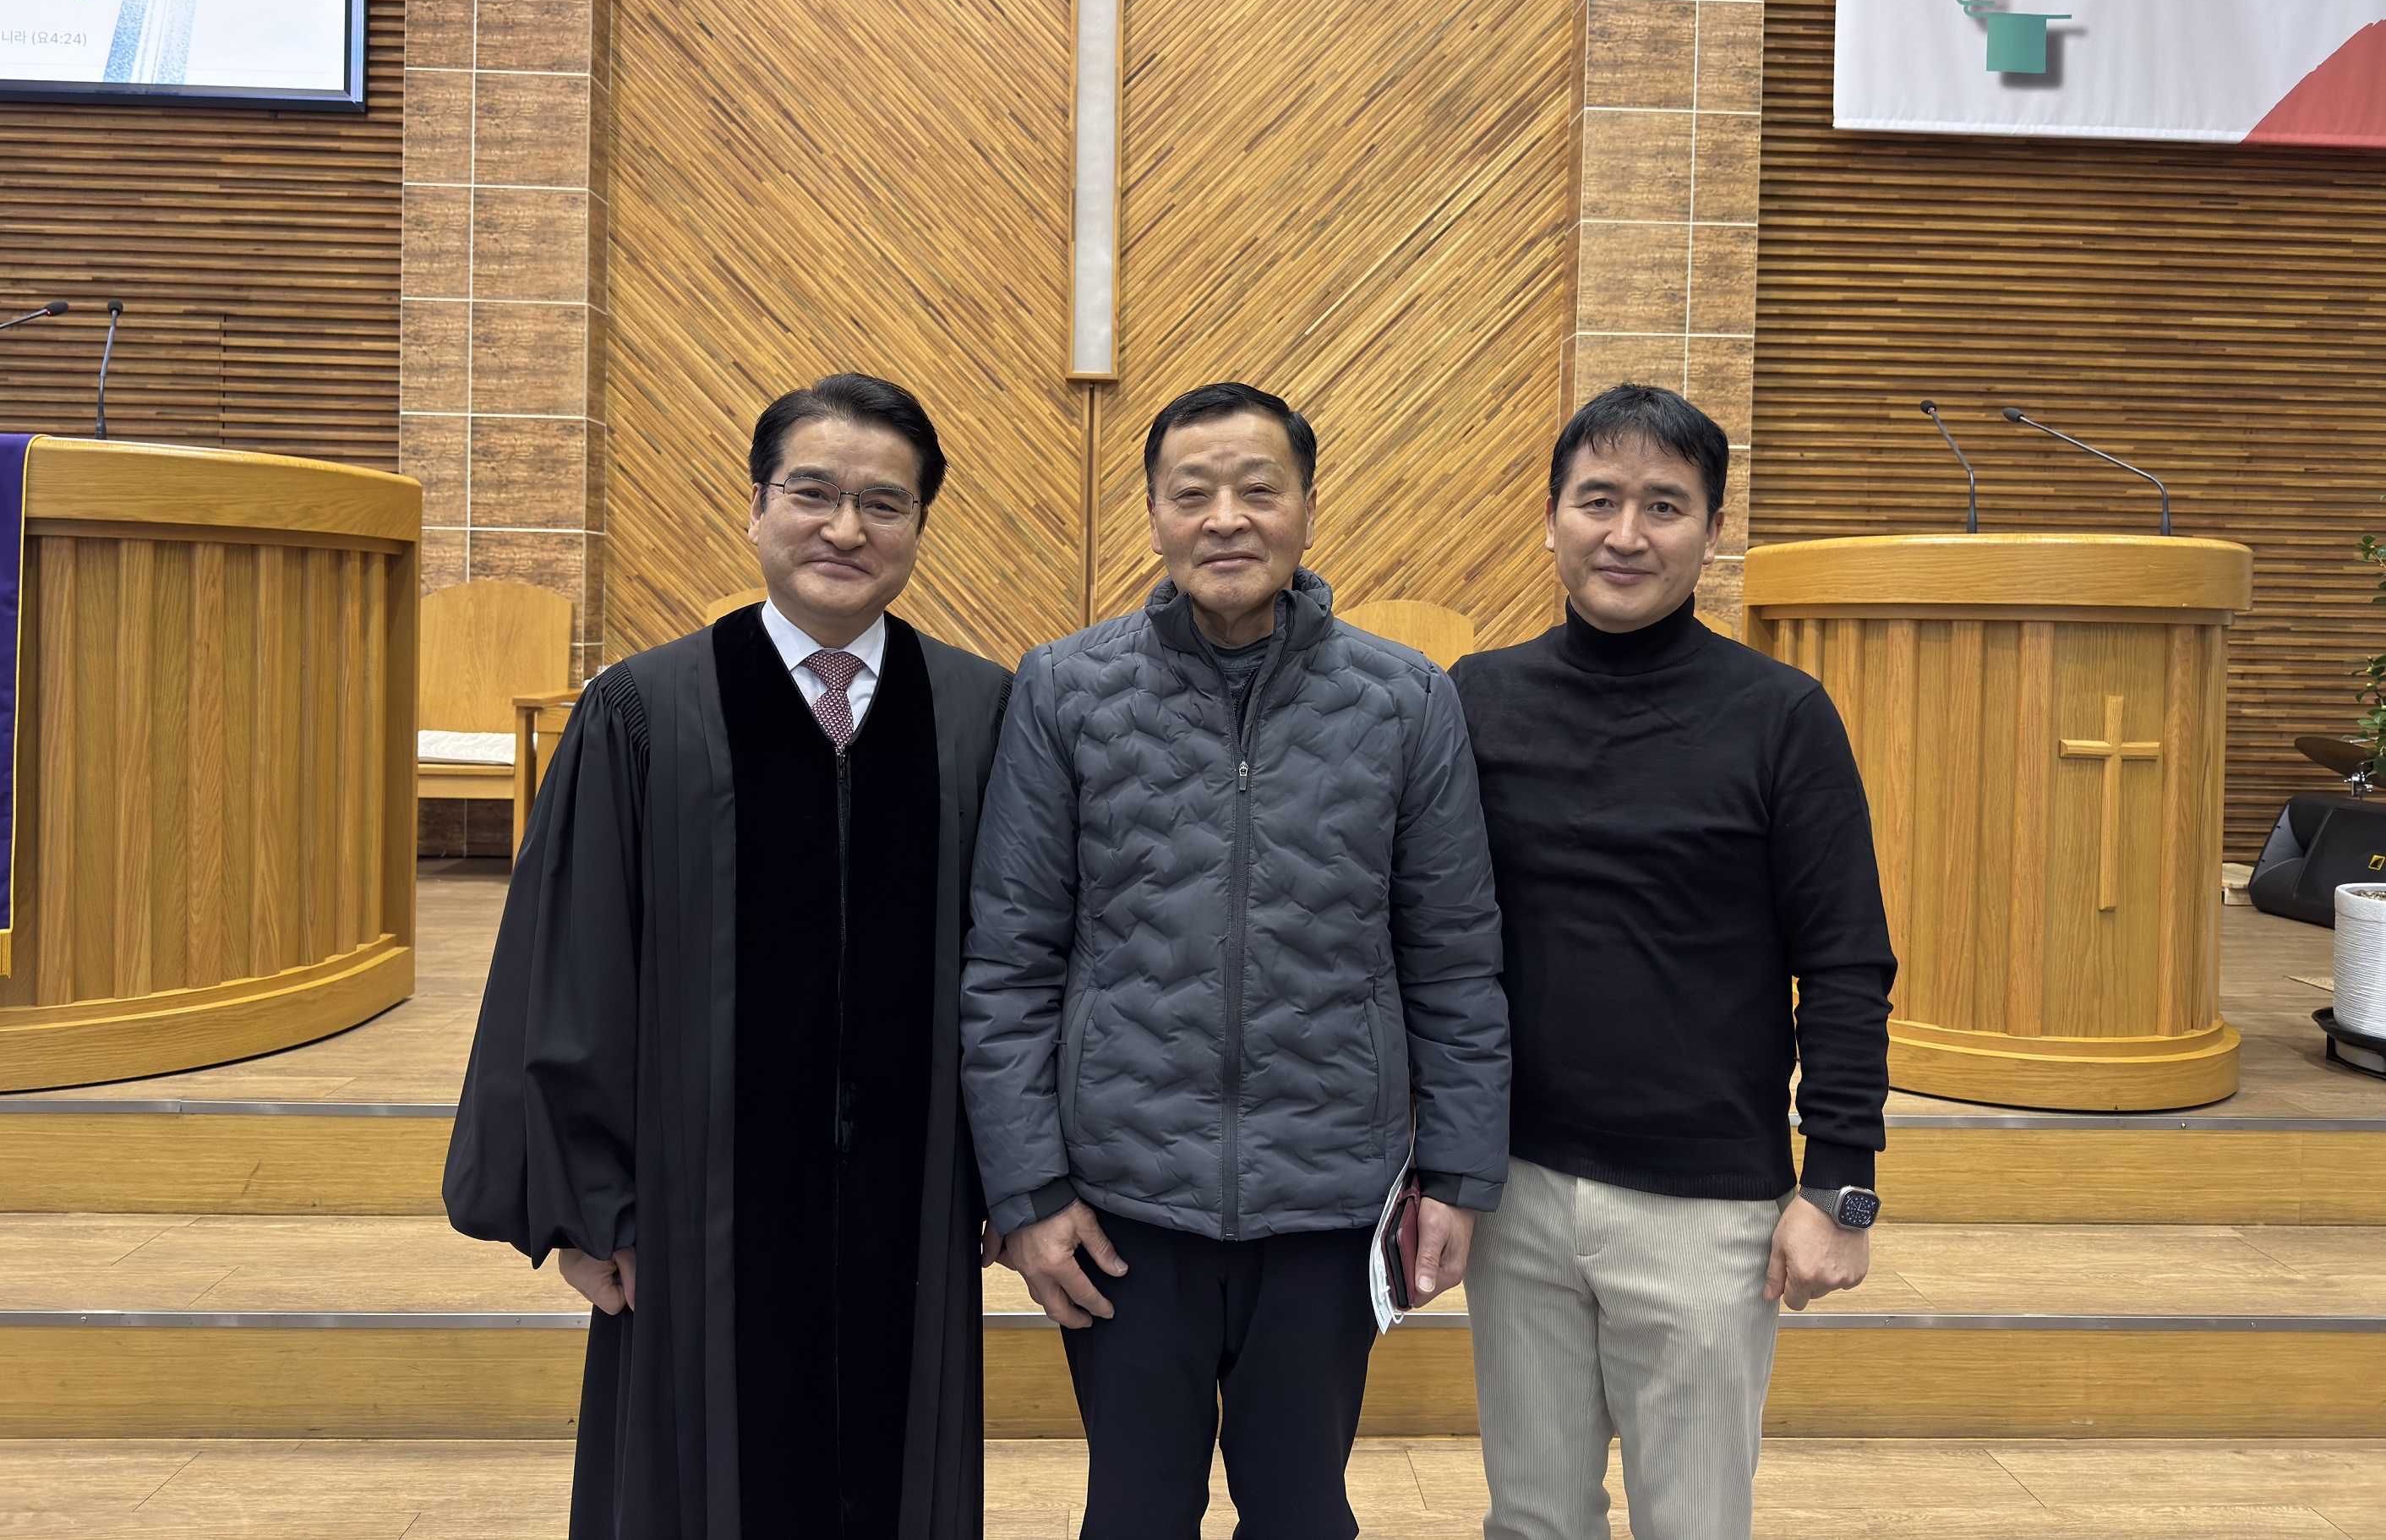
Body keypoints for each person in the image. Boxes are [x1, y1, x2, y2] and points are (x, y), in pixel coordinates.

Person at [444, 374, 1013, 1539]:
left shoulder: (982, 715)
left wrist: (1016, 1174)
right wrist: (590, 1205)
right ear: (755, 507)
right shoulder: (644, 712)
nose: (845, 528)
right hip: (696, 1218)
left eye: (883, 503)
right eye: (813, 493)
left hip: (914, 1207)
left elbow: (1027, 966)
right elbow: (572, 968)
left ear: (920, 524)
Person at [960, 381, 1511, 1540]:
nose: (1226, 518)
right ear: (1154, 514)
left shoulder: (1406, 699)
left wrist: (1459, 1172)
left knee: (1304, 1512)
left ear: (1305, 506)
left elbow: (1457, 962)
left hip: (1328, 1197)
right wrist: (1029, 1193)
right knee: (1134, 1513)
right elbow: (1010, 962)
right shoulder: (1065, 688)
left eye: (1259, 489)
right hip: (1120, 1201)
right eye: (1192, 492)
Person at [1450, 383, 1897, 1540]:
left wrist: (1838, 1182)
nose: (1626, 534)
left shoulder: (1782, 715)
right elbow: (1432, 938)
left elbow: (1845, 957)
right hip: (1518, 1185)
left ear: (1712, 529)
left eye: (1664, 505)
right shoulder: (1476, 699)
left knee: (1693, 1520)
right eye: (1597, 500)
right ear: (1551, 516)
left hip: (1707, 1206)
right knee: (1531, 1517)